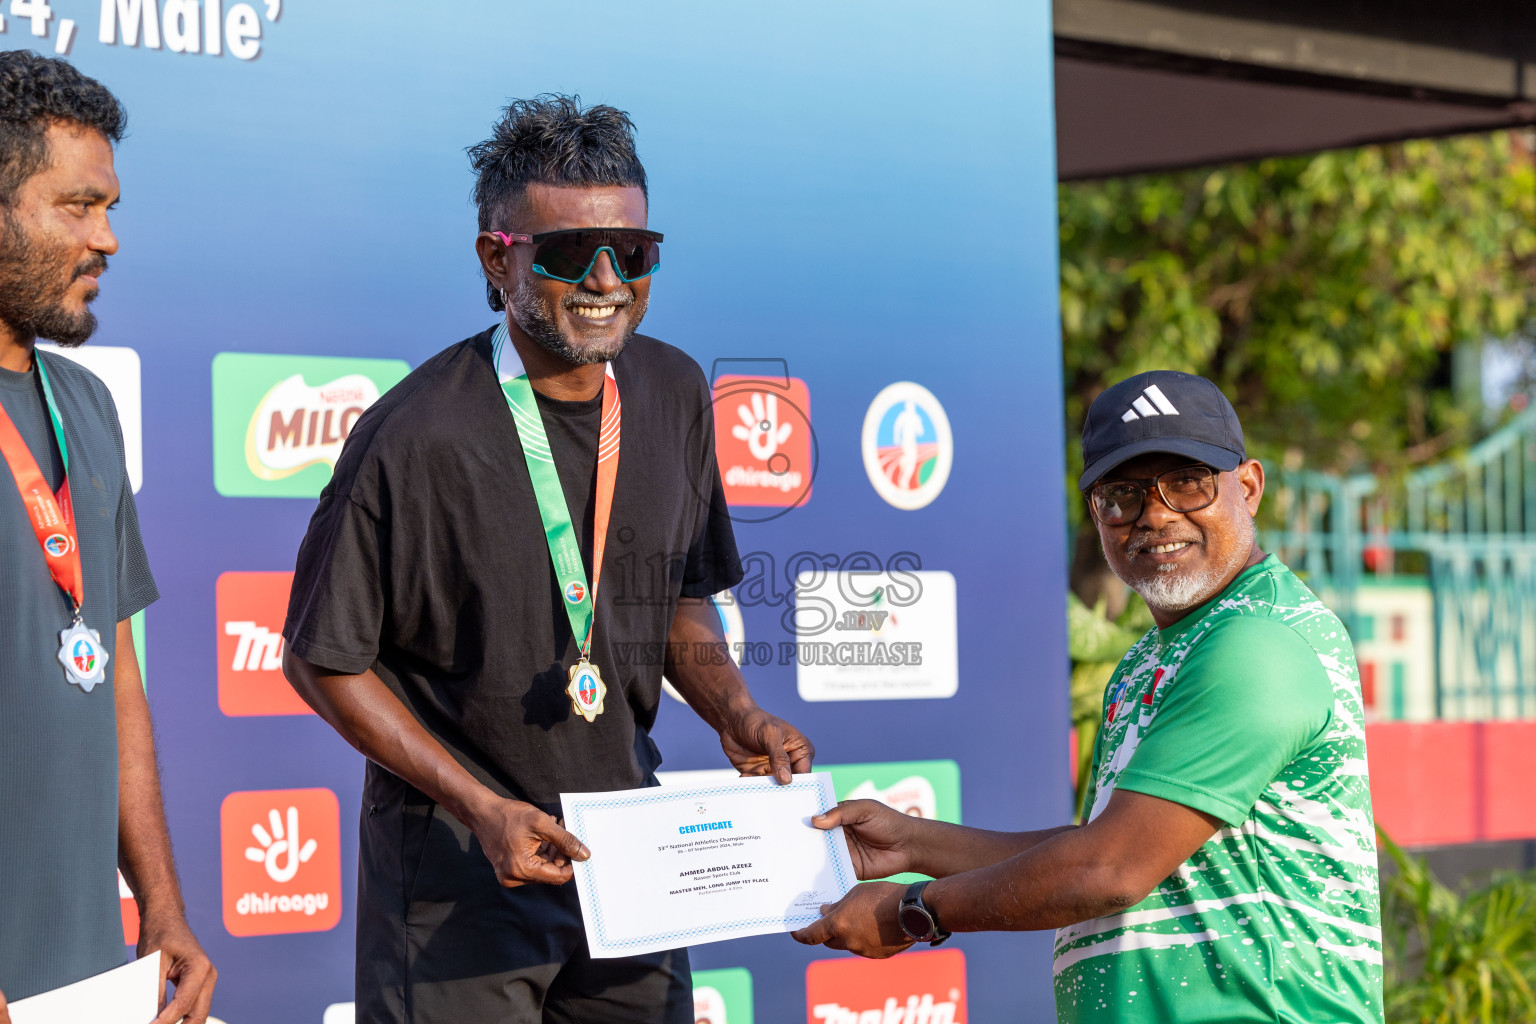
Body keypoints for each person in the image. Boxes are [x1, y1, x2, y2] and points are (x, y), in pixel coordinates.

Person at [282, 95, 815, 1024]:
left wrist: (737, 711)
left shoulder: (677, 388)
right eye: (573, 253)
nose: (609, 279)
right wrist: (481, 807)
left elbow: (680, 599)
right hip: (458, 884)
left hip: (629, 867)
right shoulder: (413, 435)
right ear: (499, 258)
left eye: (635, 253)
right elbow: (322, 659)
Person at [793, 370, 1383, 1024]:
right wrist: (911, 842)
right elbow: (1107, 843)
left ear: (1248, 487)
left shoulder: (1258, 641)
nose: (1156, 514)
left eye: (1187, 482)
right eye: (1122, 494)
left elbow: (1111, 868)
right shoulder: (1149, 658)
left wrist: (916, 911)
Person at [0, 51, 215, 1024]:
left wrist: (161, 905)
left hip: (88, 982)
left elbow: (116, 680)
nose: (110, 238)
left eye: (110, 205)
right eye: (78, 207)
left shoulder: (85, 404)